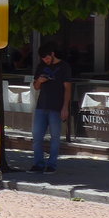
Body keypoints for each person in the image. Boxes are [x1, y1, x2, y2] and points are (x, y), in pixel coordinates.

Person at [30, 42, 72, 173]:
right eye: (43, 59)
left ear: (52, 54)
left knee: (55, 137)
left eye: (47, 58)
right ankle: (38, 164)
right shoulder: (41, 66)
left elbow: (68, 88)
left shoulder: (64, 66)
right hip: (41, 105)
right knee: (37, 136)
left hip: (56, 106)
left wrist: (65, 107)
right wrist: (39, 81)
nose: (46, 61)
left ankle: (52, 164)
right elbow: (36, 86)